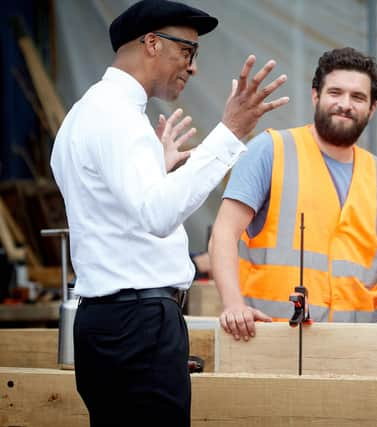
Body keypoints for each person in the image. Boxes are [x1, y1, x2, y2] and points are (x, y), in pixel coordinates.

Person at [50, 0, 288, 425]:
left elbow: (115, 207)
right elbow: (157, 215)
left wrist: (156, 172)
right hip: (137, 324)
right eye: (188, 51)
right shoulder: (117, 118)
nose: (192, 66)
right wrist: (229, 133)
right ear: (153, 44)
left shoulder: (88, 112)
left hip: (114, 321)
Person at [209, 47, 377, 341]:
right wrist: (233, 305)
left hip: (354, 350)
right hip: (268, 340)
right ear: (316, 95)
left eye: (358, 97)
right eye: (335, 92)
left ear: (372, 109)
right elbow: (224, 233)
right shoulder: (271, 150)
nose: (345, 104)